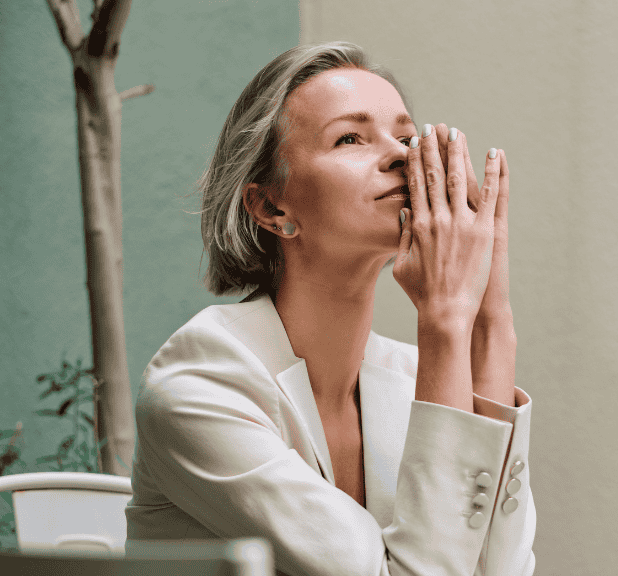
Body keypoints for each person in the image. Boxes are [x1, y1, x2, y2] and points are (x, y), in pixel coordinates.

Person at [125, 41, 535, 576]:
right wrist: (445, 320)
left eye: (406, 137)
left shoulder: (417, 376)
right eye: (350, 138)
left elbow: (500, 571)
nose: (400, 156)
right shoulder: (202, 385)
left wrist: (490, 323)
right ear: (272, 207)